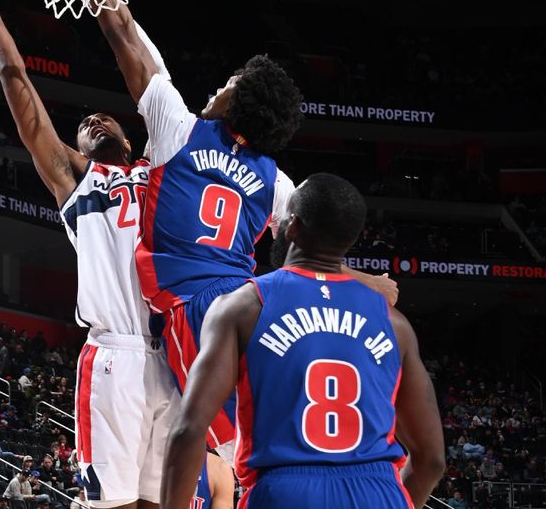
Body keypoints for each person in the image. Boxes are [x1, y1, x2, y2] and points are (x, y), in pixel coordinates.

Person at [63, 0, 399, 458]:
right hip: (255, 305)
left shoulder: (177, 129)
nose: (219, 86)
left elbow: (122, 35)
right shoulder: (274, 180)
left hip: (198, 310)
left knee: (224, 462)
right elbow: (315, 250)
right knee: (264, 446)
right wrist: (364, 283)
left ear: (238, 103)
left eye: (230, 84)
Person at [0, 0, 177, 509]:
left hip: (177, 353)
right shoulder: (77, 180)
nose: (92, 119)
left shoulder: (164, 167)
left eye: (105, 118)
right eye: (84, 126)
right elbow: (17, 85)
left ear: (134, 140)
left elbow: (142, 59)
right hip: (116, 354)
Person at [161, 174, 445, 509]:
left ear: (292, 227)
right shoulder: (394, 323)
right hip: (379, 491)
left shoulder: (244, 306)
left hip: (285, 491)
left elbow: (188, 430)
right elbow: (432, 460)